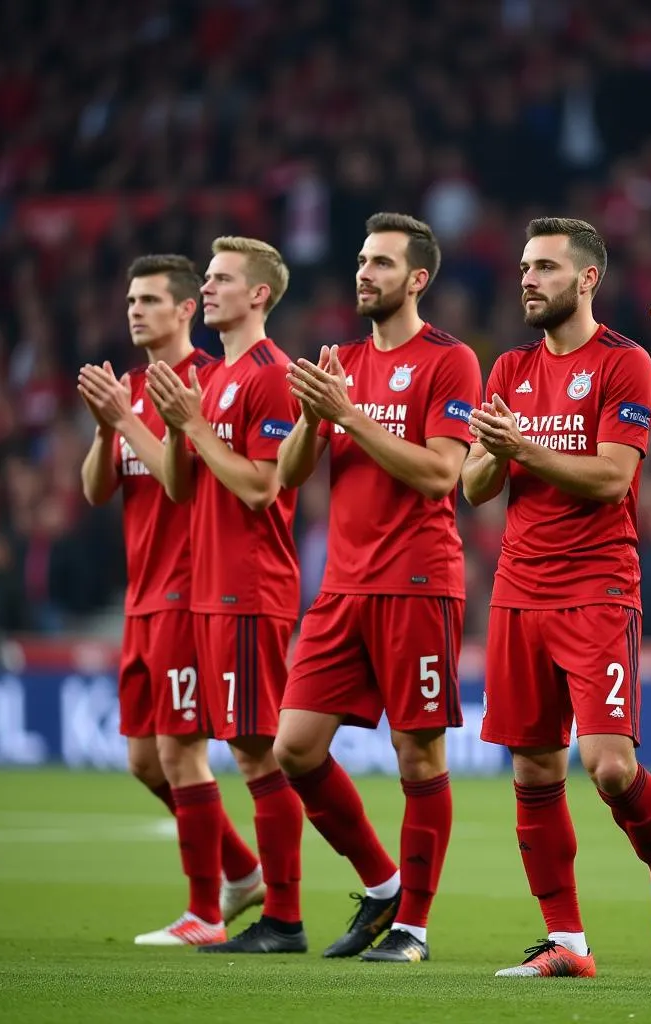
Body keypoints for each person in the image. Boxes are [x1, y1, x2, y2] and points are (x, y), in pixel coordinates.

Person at [463, 217, 651, 980]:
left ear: (587, 279)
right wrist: (496, 454)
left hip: (597, 587)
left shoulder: (625, 365)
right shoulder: (507, 370)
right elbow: (471, 485)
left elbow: (608, 478)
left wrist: (522, 445)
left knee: (609, 767)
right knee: (532, 772)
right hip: (518, 590)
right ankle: (567, 941)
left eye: (546, 268)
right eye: (525, 267)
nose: (528, 279)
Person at [274, 212, 481, 964]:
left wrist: (349, 416)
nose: (364, 273)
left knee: (418, 758)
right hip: (342, 589)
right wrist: (310, 415)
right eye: (362, 261)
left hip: (417, 582)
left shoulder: (450, 361)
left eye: (382, 264)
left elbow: (440, 473)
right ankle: (383, 882)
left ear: (417, 278)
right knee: (293, 749)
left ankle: (414, 930)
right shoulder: (344, 363)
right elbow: (291, 475)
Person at [77, 254, 263, 947]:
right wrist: (105, 428)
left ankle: (206, 916)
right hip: (143, 595)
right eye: (130, 299)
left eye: (150, 299)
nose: (134, 310)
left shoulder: (206, 385)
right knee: (143, 762)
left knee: (182, 753)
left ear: (188, 310)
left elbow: (178, 479)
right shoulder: (127, 388)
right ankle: (242, 871)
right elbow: (99, 490)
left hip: (192, 591)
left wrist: (129, 422)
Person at [146, 237, 306, 954]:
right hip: (208, 589)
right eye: (206, 279)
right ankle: (263, 911)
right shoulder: (210, 379)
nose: (206, 289)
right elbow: (181, 487)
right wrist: (183, 427)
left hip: (250, 586)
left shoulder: (270, 376)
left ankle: (285, 918)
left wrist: (195, 427)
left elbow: (260, 485)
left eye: (219, 280)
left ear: (259, 295)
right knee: (242, 750)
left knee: (253, 751)